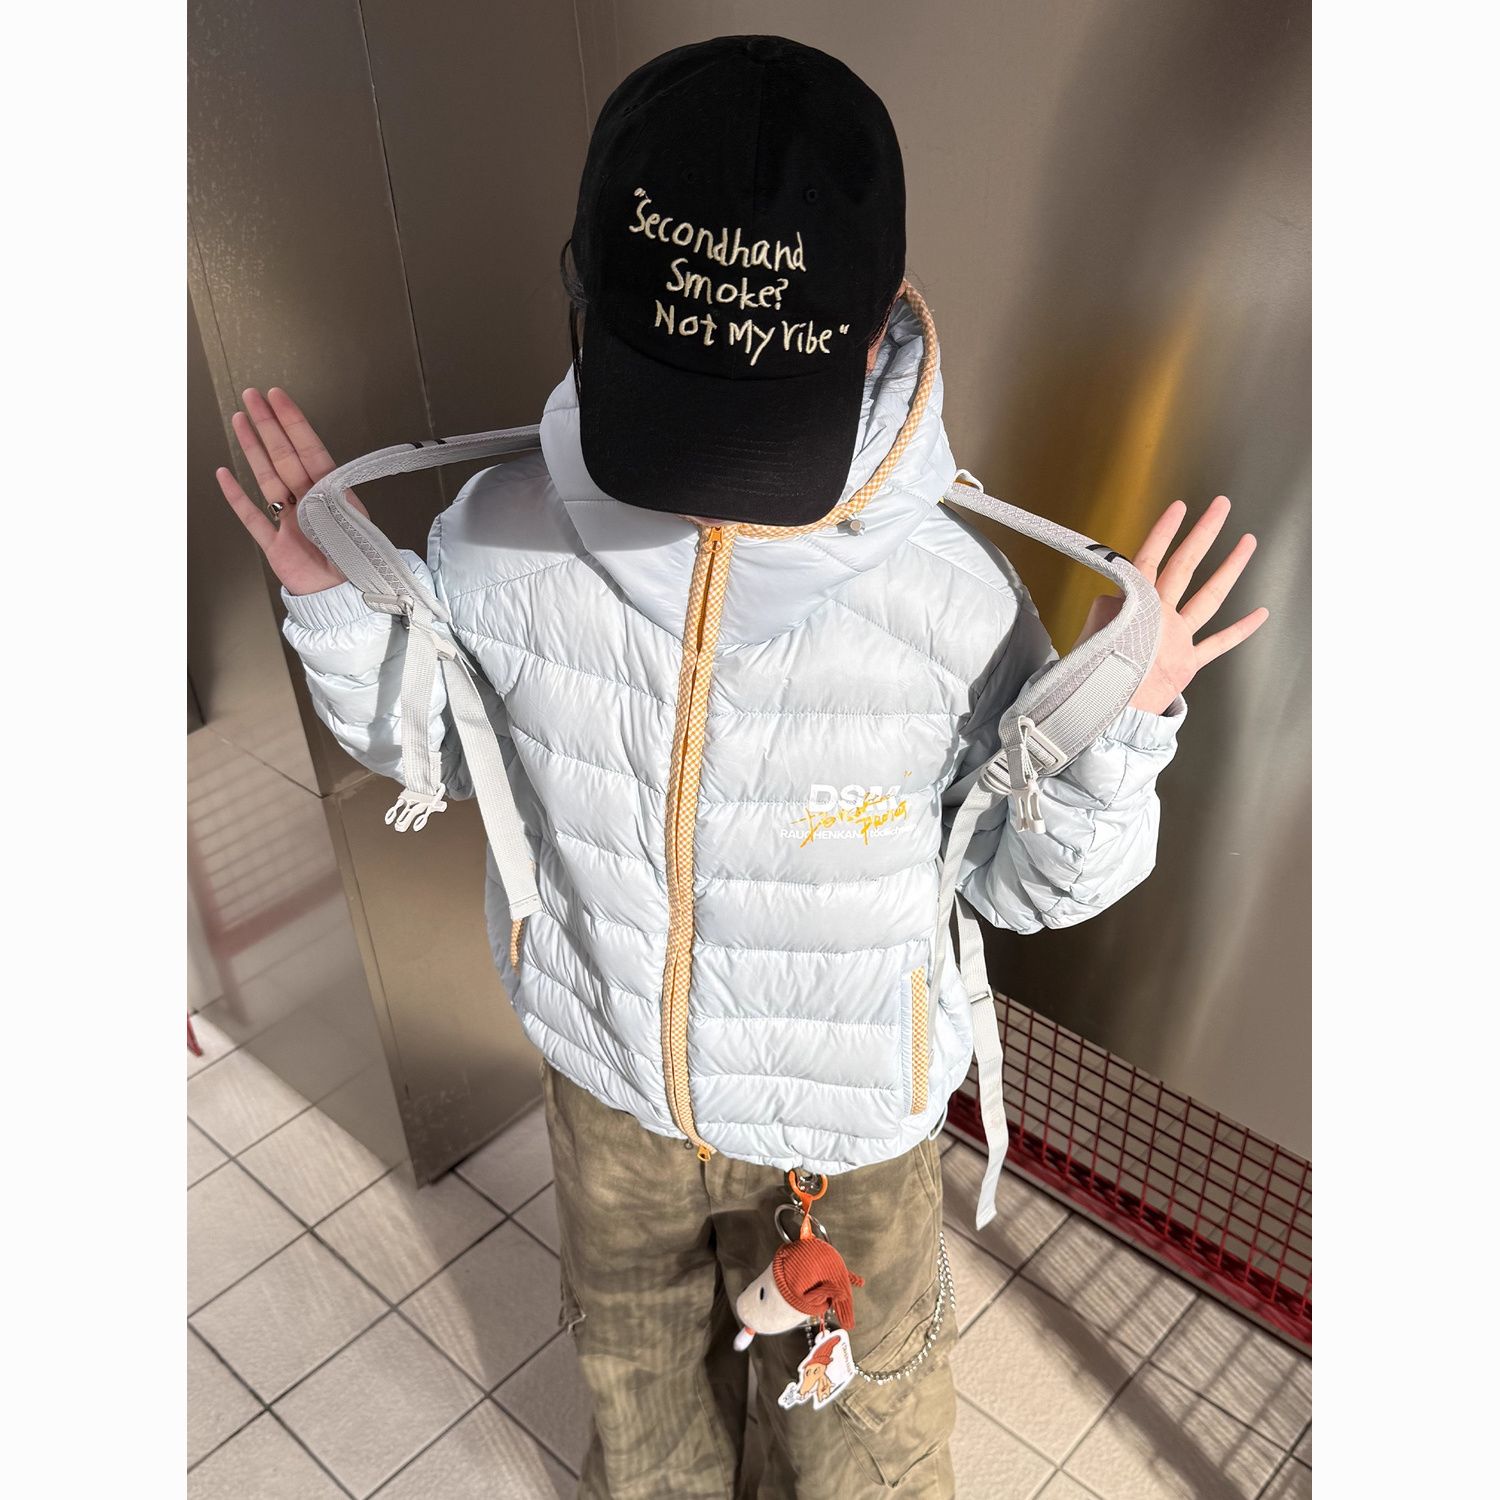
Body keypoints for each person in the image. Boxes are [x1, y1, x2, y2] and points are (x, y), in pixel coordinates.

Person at [214, 34, 1267, 1500]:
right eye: (679, 405)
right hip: (608, 1082)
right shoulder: (501, 535)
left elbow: (1030, 893)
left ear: (880, 326)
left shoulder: (955, 602)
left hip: (849, 1135)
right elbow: (437, 758)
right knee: (640, 1401)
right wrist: (344, 614)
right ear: (586, 293)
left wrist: (1111, 721)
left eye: (751, 420)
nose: (710, 485)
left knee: (862, 1451)